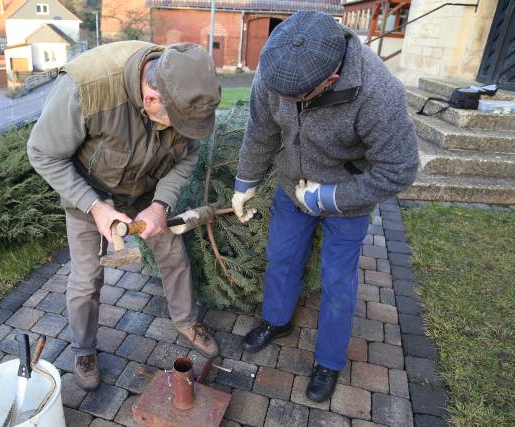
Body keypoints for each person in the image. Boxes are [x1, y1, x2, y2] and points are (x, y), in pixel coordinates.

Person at [232, 11, 419, 402]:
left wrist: (328, 197)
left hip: (347, 197)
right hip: (290, 187)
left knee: (338, 282)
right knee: (281, 257)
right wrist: (244, 183)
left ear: (329, 81)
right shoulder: (277, 70)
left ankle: (329, 361)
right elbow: (260, 131)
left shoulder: (377, 92)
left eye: (296, 98)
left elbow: (399, 169)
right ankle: (276, 320)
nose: (283, 101)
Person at [27, 41, 221, 390]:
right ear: (150, 100)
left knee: (174, 256)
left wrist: (161, 205)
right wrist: (95, 206)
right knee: (86, 281)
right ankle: (84, 349)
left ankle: (187, 320)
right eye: (175, 123)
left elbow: (188, 156)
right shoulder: (86, 88)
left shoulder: (185, 87)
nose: (182, 130)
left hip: (147, 192)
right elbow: (43, 154)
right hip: (88, 195)